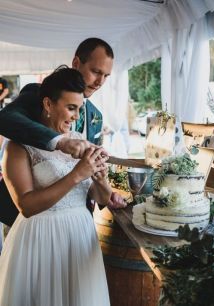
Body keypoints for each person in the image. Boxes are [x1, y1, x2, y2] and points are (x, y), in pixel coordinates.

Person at [0, 67, 111, 306]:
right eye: (70, 108)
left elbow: (101, 197)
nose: (76, 117)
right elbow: (26, 205)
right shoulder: (17, 146)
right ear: (48, 105)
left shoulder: (80, 141)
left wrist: (101, 178)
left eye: (79, 109)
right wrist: (76, 175)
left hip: (80, 237)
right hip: (40, 241)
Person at [0, 37, 126, 227]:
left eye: (106, 76)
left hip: (78, 221)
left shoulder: (96, 116)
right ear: (76, 63)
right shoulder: (38, 93)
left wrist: (105, 191)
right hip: (32, 220)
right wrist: (60, 142)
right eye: (95, 71)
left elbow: (88, 174)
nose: (100, 81)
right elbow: (5, 119)